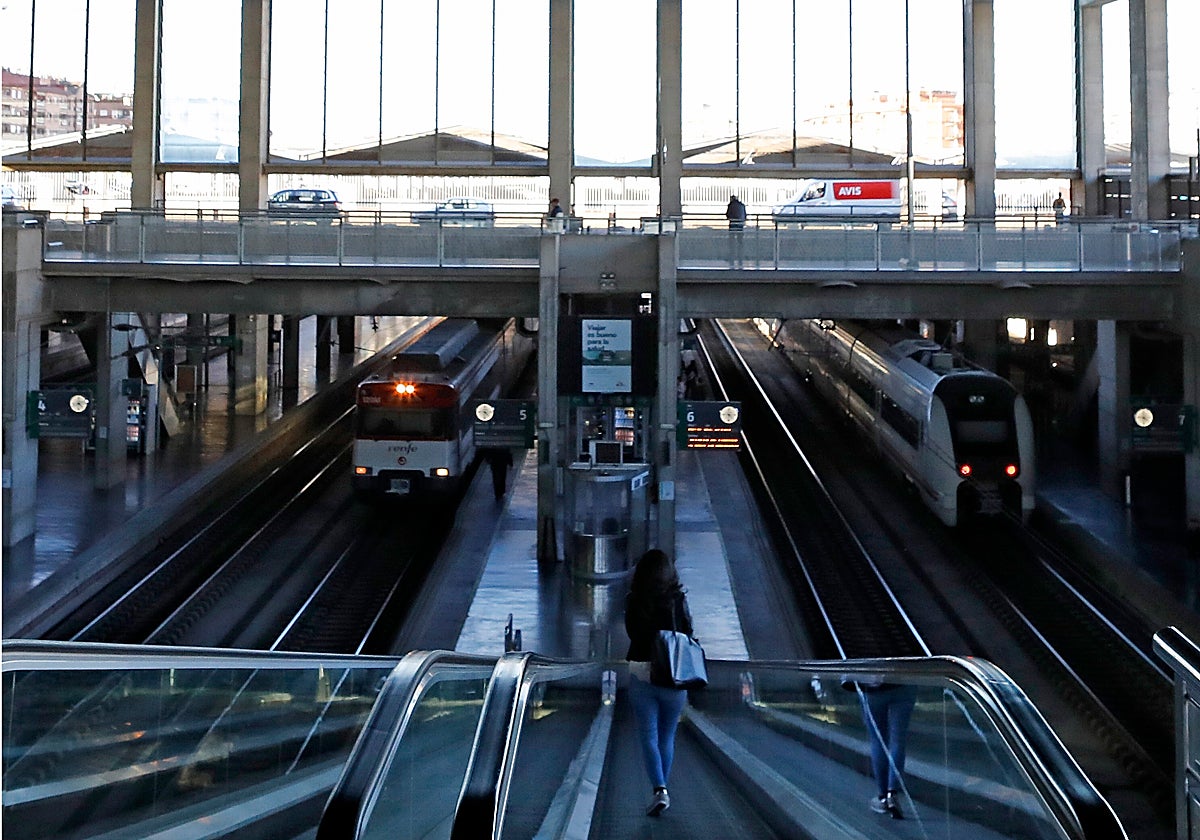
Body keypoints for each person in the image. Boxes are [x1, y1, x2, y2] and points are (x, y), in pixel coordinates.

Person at [624, 549, 694, 817]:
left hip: (643, 672)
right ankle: (662, 789)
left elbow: (632, 632)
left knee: (648, 736)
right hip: (675, 675)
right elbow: (688, 631)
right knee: (667, 735)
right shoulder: (678, 600)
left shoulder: (635, 599)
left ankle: (660, 789)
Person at [843, 677, 917, 819]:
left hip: (871, 686)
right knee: (898, 741)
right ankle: (892, 793)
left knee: (878, 740)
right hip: (904, 682)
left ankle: (882, 797)